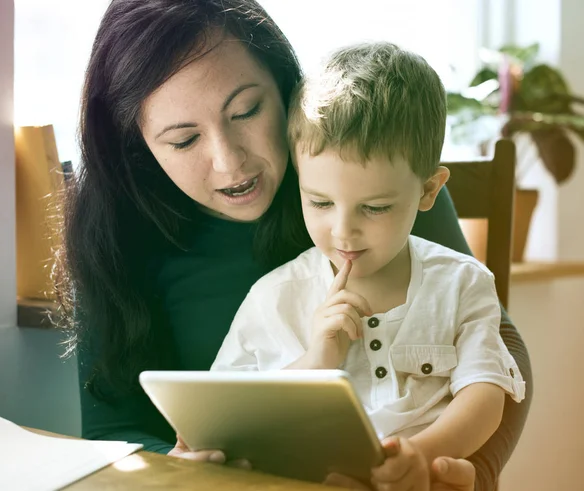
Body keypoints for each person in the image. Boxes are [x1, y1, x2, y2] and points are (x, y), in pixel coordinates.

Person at [55, 1, 532, 490]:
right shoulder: (117, 234)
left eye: (246, 111)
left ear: (284, 87)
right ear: (135, 143)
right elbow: (113, 430)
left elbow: (498, 350)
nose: (229, 162)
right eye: (183, 140)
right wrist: (181, 467)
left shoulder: (368, 167)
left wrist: (461, 473)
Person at [210, 42, 526, 490]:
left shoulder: (461, 283)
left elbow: (486, 396)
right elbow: (226, 418)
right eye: (319, 202)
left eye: (375, 208)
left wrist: (420, 455)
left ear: (428, 191)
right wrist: (319, 359)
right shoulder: (275, 298)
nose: (343, 232)